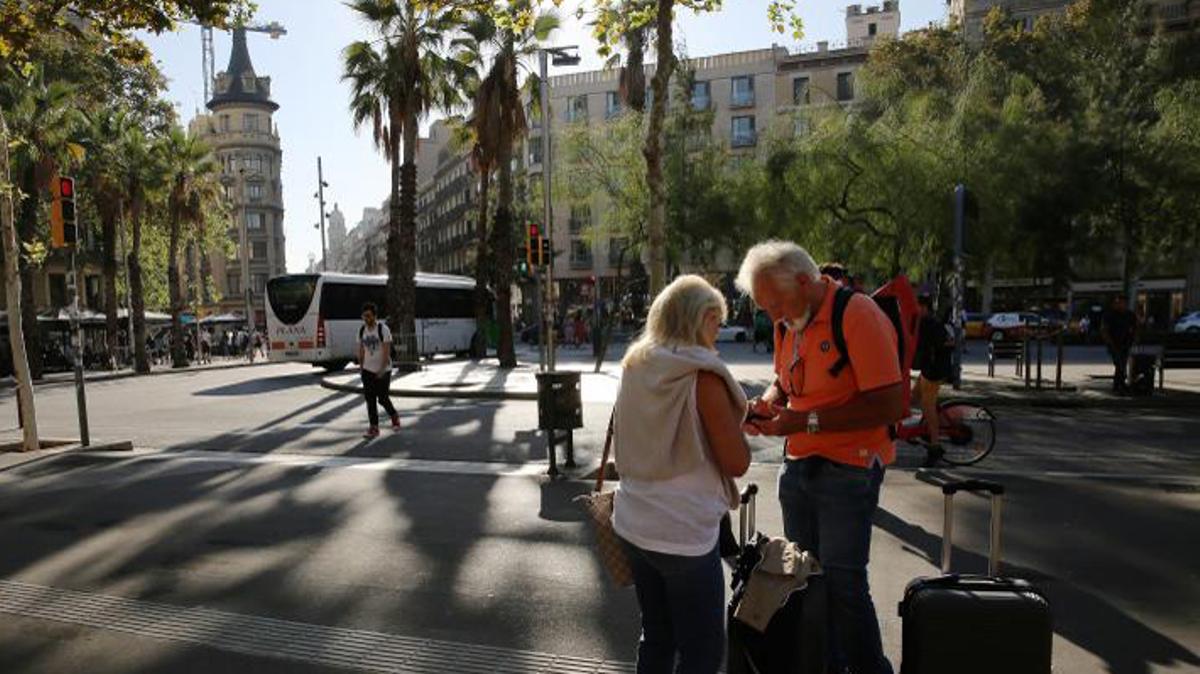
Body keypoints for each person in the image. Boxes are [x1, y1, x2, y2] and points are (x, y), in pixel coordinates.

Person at [738, 241, 903, 674]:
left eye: (776, 304)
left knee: (845, 583)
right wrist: (768, 403)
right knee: (807, 581)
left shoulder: (859, 314)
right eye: (764, 307)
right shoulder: (788, 322)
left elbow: (889, 405)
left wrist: (802, 422)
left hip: (849, 466)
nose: (772, 316)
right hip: (798, 465)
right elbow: (784, 381)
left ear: (807, 283)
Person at [612, 275, 751, 674]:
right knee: (703, 651)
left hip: (634, 523)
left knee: (657, 635)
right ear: (704, 317)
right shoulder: (702, 375)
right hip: (682, 533)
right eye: (718, 323)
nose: (718, 333)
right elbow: (736, 462)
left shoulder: (636, 364)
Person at [912, 294, 953, 467]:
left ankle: (935, 446)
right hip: (929, 369)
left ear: (924, 307)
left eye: (916, 307)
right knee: (913, 397)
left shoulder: (929, 323)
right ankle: (919, 429)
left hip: (933, 371)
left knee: (928, 407)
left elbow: (940, 344)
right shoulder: (928, 321)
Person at [358, 303, 400, 438]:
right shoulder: (361, 330)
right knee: (370, 399)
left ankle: (394, 415)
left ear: (375, 316)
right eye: (364, 316)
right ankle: (374, 428)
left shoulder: (383, 329)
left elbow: (387, 352)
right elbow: (361, 350)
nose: (366, 318)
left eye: (369, 316)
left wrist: (382, 370)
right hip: (367, 370)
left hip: (384, 369)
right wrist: (361, 367)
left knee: (382, 398)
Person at [1101, 296, 1138, 393]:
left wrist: (1133, 340)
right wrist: (1110, 343)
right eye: (1117, 303)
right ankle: (1120, 384)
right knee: (1119, 363)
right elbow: (1105, 330)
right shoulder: (1109, 315)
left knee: (1121, 363)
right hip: (1114, 344)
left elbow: (1135, 329)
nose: (1120, 305)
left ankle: (1118, 384)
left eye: (1122, 303)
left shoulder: (1130, 315)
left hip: (1126, 344)